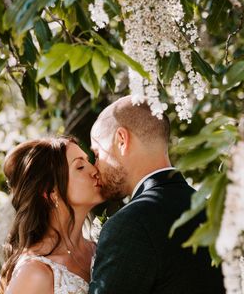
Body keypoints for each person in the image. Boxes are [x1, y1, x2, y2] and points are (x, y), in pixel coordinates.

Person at [89, 96, 225, 294]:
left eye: (97, 155)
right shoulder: (212, 213)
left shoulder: (131, 225)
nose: (95, 167)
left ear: (121, 140)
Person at [0, 136, 104, 294]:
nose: (94, 170)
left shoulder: (101, 246)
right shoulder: (33, 274)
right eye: (80, 167)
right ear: (50, 192)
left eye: (89, 161)